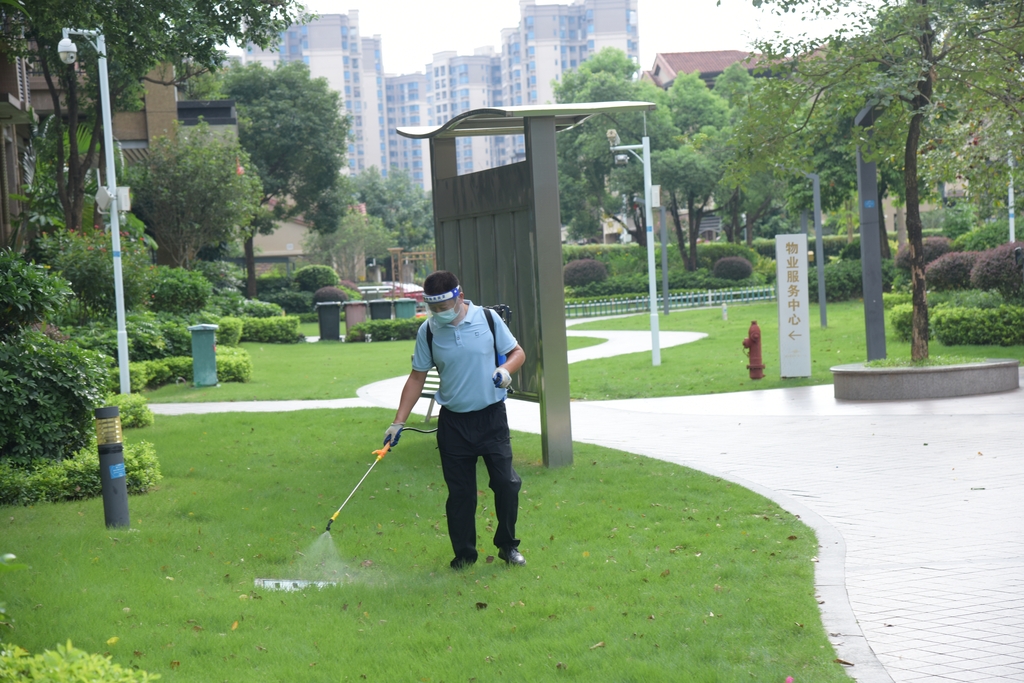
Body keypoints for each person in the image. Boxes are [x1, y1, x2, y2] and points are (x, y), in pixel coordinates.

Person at [384, 271, 527, 570]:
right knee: (460, 494)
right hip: (453, 424)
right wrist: (397, 422)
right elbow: (416, 377)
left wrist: (507, 370)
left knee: (506, 483)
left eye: (443, 307)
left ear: (459, 297)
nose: (439, 314)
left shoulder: (487, 319)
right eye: (433, 309)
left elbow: (516, 352)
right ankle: (464, 554)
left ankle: (507, 546)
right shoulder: (429, 331)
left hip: (491, 417)